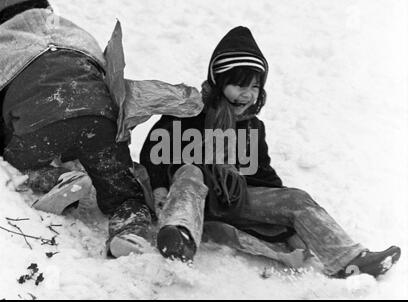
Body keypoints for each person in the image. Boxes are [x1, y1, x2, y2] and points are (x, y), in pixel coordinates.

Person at [140, 26, 401, 278]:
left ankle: (347, 260)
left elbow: (262, 176)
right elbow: (152, 155)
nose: (248, 94)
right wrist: (160, 187)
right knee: (190, 171)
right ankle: (180, 238)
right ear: (219, 82)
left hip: (233, 200)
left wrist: (286, 221)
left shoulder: (253, 127)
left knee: (297, 198)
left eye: (255, 87)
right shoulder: (189, 113)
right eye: (240, 85)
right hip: (188, 198)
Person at [0, 0, 154, 258]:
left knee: (15, 164)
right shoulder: (75, 32)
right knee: (123, 188)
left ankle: (49, 178)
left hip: (42, 126)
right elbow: (112, 85)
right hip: (99, 120)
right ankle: (129, 230)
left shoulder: (5, 42)